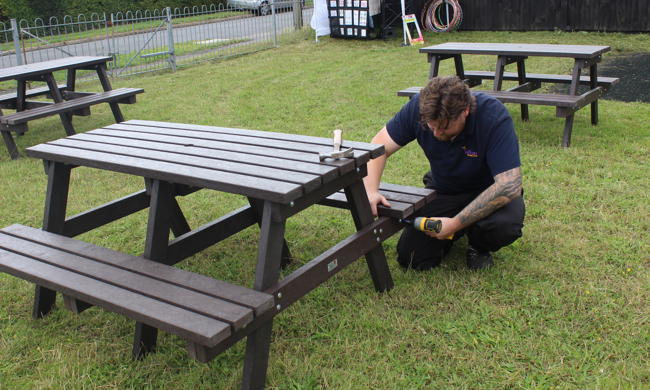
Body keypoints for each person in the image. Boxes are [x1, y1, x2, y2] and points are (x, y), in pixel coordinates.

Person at [364, 76, 525, 270]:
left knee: (504, 226)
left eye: (445, 127)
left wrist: (455, 223)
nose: (437, 134)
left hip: (488, 189)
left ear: (465, 111)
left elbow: (509, 185)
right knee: (412, 258)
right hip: (446, 189)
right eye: (432, 126)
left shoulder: (493, 116)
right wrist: (371, 190)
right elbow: (378, 146)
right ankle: (455, 231)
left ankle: (479, 245)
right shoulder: (420, 107)